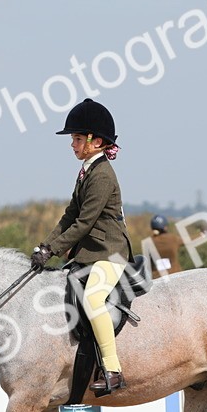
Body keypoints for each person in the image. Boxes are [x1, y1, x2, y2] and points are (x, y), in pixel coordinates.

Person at [31, 98, 133, 395]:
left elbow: (84, 223)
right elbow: (69, 216)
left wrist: (54, 250)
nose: (72, 144)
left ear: (95, 141)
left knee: (93, 299)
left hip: (110, 253)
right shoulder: (87, 170)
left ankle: (112, 369)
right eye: (73, 139)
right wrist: (45, 246)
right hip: (91, 253)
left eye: (77, 139)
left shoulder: (102, 175)